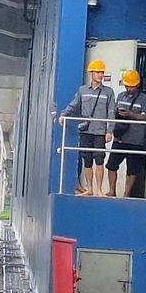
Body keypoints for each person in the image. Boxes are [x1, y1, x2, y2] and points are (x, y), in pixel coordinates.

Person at [59, 59, 116, 196]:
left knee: (100, 159)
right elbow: (74, 104)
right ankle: (90, 188)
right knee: (87, 160)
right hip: (86, 130)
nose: (100, 75)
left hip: (100, 131)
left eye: (102, 72)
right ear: (91, 73)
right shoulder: (82, 90)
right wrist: (63, 114)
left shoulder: (108, 92)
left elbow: (111, 112)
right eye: (97, 72)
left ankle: (99, 190)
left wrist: (109, 131)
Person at [104, 70, 146, 197]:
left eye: (131, 85)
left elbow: (145, 117)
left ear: (137, 85)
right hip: (120, 138)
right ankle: (112, 190)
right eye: (127, 85)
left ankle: (127, 193)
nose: (129, 88)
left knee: (132, 169)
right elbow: (113, 112)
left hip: (135, 140)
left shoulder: (144, 99)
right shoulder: (120, 96)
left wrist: (130, 114)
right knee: (111, 165)